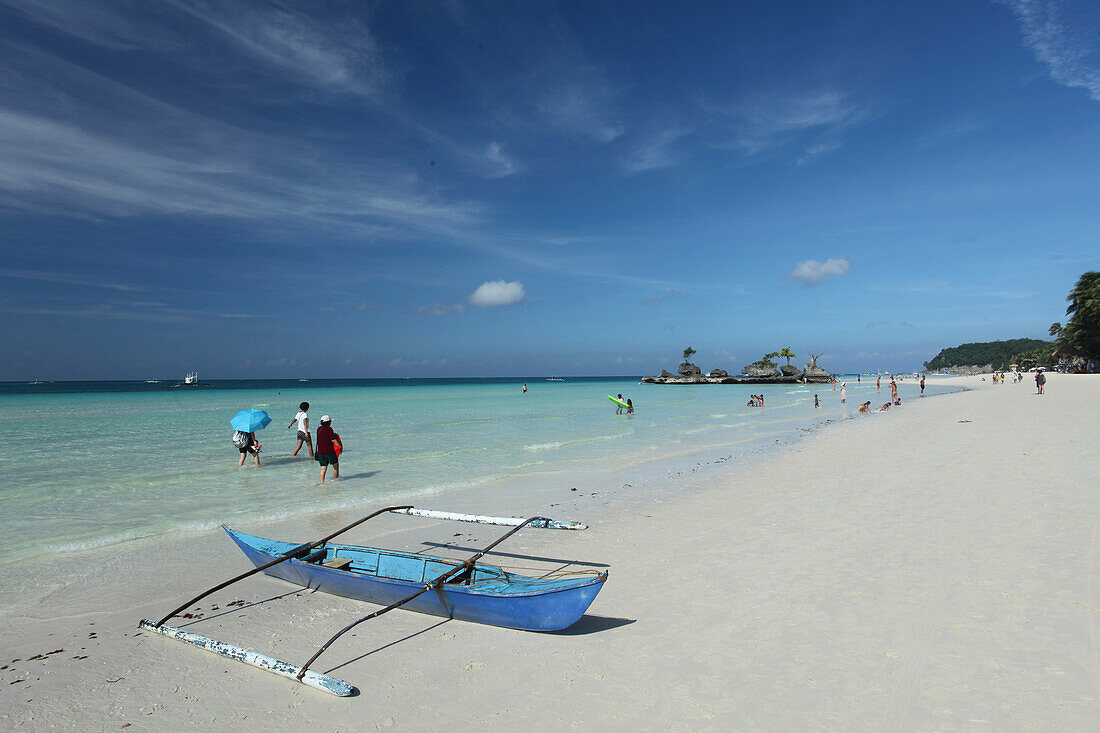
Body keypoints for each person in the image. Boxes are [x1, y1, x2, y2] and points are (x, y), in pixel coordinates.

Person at [315, 415, 341, 482]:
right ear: (328, 422)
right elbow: (333, 440)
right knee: (335, 465)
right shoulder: (329, 429)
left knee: (323, 467)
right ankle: (336, 480)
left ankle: (322, 482)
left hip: (320, 451)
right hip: (329, 451)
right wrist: (339, 446)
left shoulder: (319, 429)